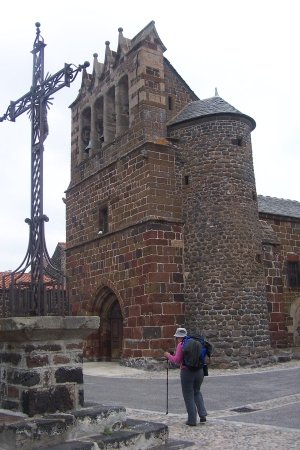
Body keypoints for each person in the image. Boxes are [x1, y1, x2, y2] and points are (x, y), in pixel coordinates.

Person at [164, 327, 207, 426]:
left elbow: (177, 360)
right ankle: (203, 415)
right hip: (200, 371)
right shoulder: (196, 342)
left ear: (178, 337)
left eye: (176, 338)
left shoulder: (181, 344)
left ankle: (192, 420)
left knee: (188, 395)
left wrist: (168, 355)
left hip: (187, 372)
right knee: (197, 392)